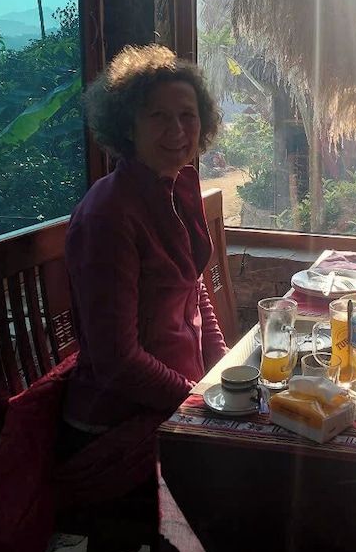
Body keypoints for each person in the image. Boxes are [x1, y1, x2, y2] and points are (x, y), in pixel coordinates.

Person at [60, 44, 229, 453]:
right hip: (119, 424)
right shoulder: (109, 215)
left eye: (187, 115)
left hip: (178, 402)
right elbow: (117, 361)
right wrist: (198, 402)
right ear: (127, 126)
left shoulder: (174, 186)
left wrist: (225, 371)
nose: (177, 130)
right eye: (157, 115)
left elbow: (193, 289)